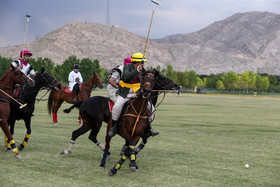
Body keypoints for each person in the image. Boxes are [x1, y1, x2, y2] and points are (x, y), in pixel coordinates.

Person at [108, 52, 159, 137]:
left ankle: (148, 129)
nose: (143, 64)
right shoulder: (127, 67)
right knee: (117, 107)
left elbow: (145, 78)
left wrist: (150, 75)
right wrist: (136, 70)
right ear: (137, 62)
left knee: (150, 107)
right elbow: (125, 77)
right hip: (125, 93)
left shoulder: (142, 69)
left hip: (137, 93)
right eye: (142, 62)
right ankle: (114, 128)